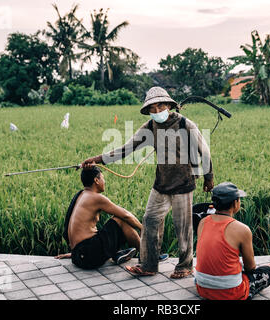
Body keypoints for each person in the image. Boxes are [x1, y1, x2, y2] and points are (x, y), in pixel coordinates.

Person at [80, 86, 214, 278]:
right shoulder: (150, 127)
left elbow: (205, 152)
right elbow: (125, 149)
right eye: (152, 108)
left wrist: (209, 177)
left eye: (160, 106)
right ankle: (149, 265)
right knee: (150, 222)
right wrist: (97, 159)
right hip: (161, 183)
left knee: (182, 228)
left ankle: (184, 266)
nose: (157, 111)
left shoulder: (186, 125)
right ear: (148, 110)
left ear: (168, 104)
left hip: (183, 184)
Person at [194, 182, 270, 300]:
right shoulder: (242, 229)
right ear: (235, 203)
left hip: (202, 288)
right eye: (239, 200)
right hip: (230, 293)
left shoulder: (203, 222)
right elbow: (250, 267)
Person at [55, 166, 143, 269]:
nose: (104, 181)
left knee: (112, 226)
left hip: (78, 256)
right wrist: (143, 229)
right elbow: (125, 215)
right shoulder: (96, 198)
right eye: (103, 178)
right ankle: (148, 255)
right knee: (120, 220)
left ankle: (116, 254)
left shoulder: (80, 195)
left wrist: (75, 253)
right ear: (96, 180)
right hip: (88, 255)